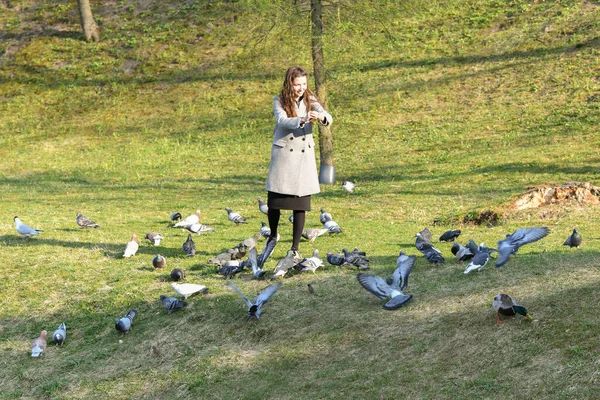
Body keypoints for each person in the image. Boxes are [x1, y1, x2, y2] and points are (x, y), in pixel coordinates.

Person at [265, 66, 332, 260]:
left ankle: (294, 248)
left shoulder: (311, 100)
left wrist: (320, 117)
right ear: (289, 83)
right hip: (284, 156)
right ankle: (272, 234)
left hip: (303, 159)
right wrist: (302, 120)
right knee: (274, 203)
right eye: (297, 84)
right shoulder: (278, 100)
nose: (301, 88)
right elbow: (282, 120)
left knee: (300, 204)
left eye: (304, 84)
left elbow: (328, 117)